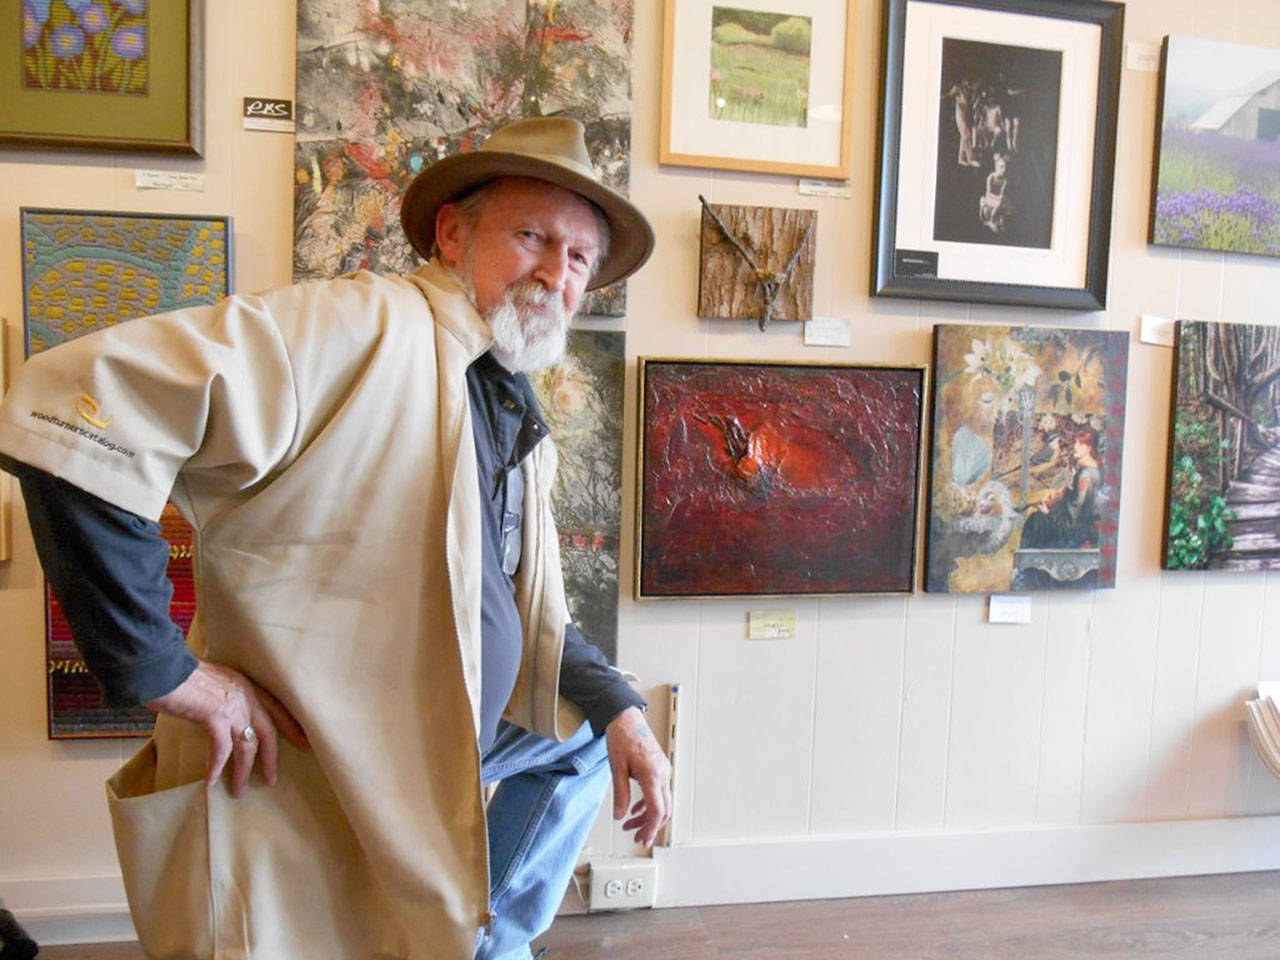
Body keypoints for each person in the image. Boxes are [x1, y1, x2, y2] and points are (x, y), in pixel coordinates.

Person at [0, 117, 670, 960]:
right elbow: (73, 405)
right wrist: (167, 674)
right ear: (453, 233)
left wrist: (623, 714)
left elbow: (513, 607)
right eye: (532, 236)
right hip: (310, 775)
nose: (553, 273)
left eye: (578, 259)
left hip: (419, 754)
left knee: (573, 742)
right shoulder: (358, 325)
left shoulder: (501, 400)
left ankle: (488, 942)